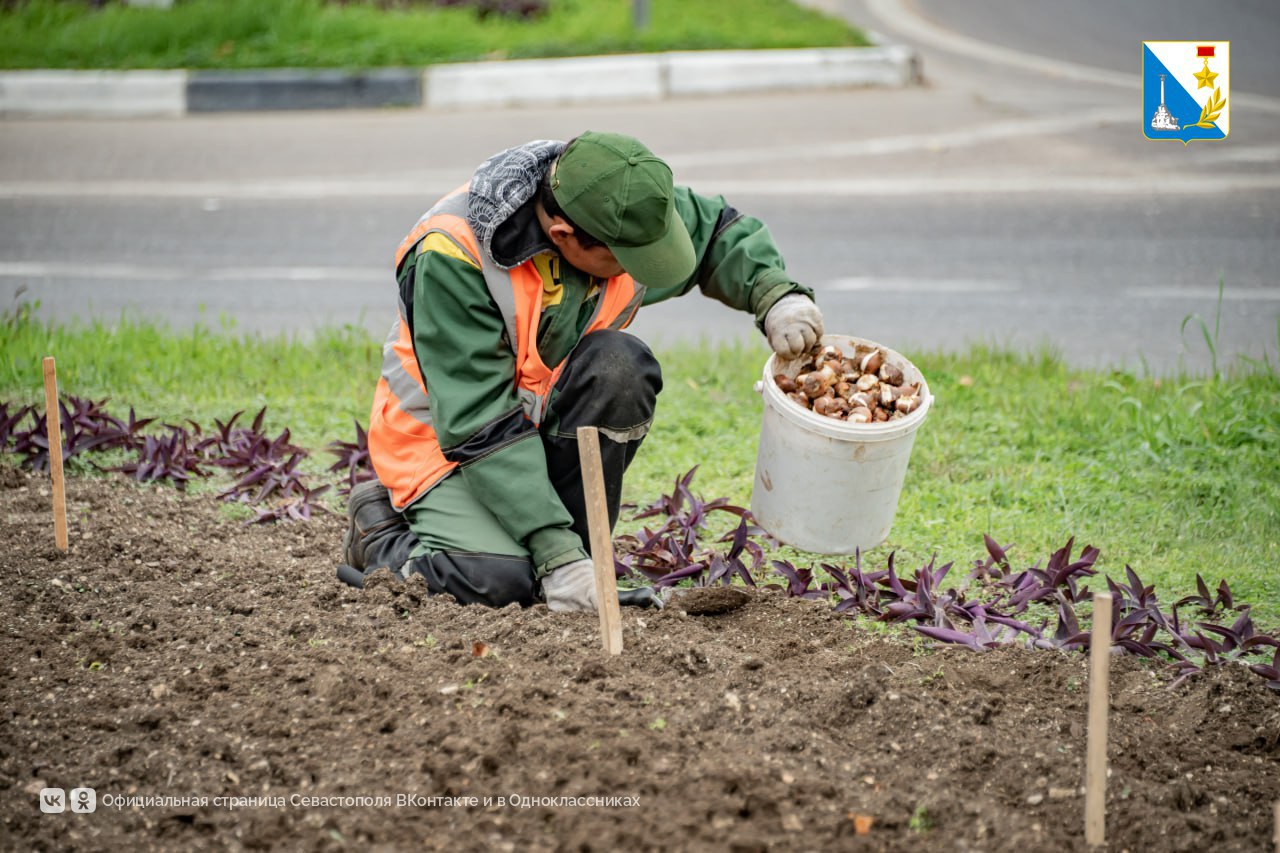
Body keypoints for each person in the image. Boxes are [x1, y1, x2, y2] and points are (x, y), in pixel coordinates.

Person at [340, 131, 823, 612]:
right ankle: (379, 529)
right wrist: (556, 555)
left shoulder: (619, 200)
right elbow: (478, 422)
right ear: (564, 236)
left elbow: (717, 231)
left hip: (537, 422)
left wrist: (777, 296)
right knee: (500, 581)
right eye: (628, 261)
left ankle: (566, 555)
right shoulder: (452, 255)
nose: (643, 270)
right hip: (448, 443)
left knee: (619, 366)